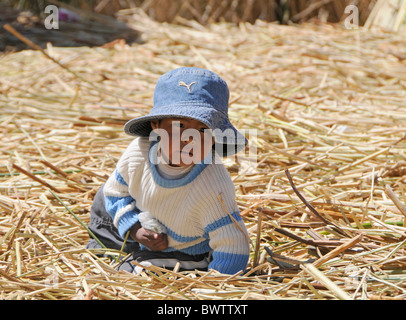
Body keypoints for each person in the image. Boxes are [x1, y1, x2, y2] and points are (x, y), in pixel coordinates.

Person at [86, 67, 250, 275]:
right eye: (180, 125)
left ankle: (129, 260)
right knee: (103, 197)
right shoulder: (139, 152)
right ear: (157, 125)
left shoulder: (213, 184)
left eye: (202, 130)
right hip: (143, 227)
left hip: (183, 250)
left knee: (130, 271)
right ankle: (115, 250)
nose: (189, 138)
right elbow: (115, 193)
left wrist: (216, 285)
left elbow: (233, 244)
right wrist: (135, 230)